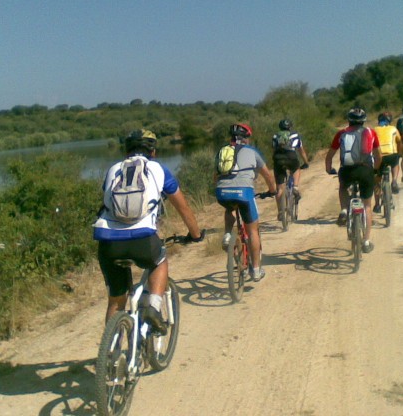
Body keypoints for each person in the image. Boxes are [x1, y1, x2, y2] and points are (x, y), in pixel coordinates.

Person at [93, 129, 204, 331]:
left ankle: (111, 347)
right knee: (159, 262)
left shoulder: (113, 169)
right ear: (153, 152)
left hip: (108, 241)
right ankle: (153, 308)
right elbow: (183, 207)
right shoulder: (158, 169)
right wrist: (195, 235)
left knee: (116, 300)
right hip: (142, 238)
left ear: (126, 151)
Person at [215, 123, 277, 282]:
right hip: (244, 192)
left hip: (222, 192)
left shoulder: (222, 151)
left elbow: (215, 176)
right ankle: (255, 270)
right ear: (246, 138)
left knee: (229, 208)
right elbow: (267, 175)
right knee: (252, 231)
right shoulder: (252, 152)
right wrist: (272, 190)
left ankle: (227, 234)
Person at [324, 107, 382, 253]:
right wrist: (375, 170)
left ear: (349, 120)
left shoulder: (341, 133)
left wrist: (329, 168)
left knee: (343, 187)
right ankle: (366, 241)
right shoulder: (371, 132)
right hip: (365, 170)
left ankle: (344, 210)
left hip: (347, 171)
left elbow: (330, 155)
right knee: (367, 205)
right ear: (364, 120)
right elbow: (378, 156)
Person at [271, 118, 310, 221]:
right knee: (296, 168)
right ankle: (295, 187)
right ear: (290, 127)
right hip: (291, 157)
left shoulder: (275, 136)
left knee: (280, 189)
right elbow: (301, 151)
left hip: (278, 159)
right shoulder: (295, 135)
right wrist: (306, 162)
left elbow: (273, 150)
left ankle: (280, 212)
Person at [372, 112, 402, 213]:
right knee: (395, 163)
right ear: (389, 121)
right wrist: (399, 153)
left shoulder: (374, 130)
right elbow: (399, 141)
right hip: (391, 154)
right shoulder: (393, 129)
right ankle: (394, 180)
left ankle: (377, 205)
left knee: (376, 180)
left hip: (379, 157)